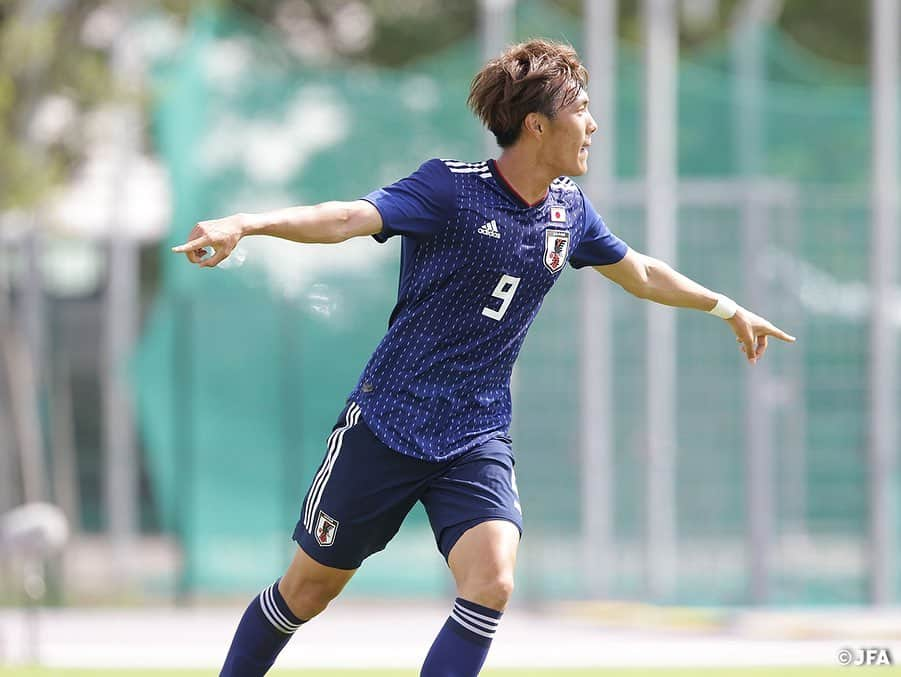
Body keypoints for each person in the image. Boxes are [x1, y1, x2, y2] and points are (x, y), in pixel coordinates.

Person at [173, 38, 795, 677]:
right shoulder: (448, 189)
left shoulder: (568, 211)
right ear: (536, 124)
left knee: (493, 578)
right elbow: (345, 218)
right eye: (581, 109)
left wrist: (726, 307)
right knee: (306, 592)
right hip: (388, 424)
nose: (593, 125)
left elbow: (640, 271)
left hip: (475, 436)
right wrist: (244, 224)